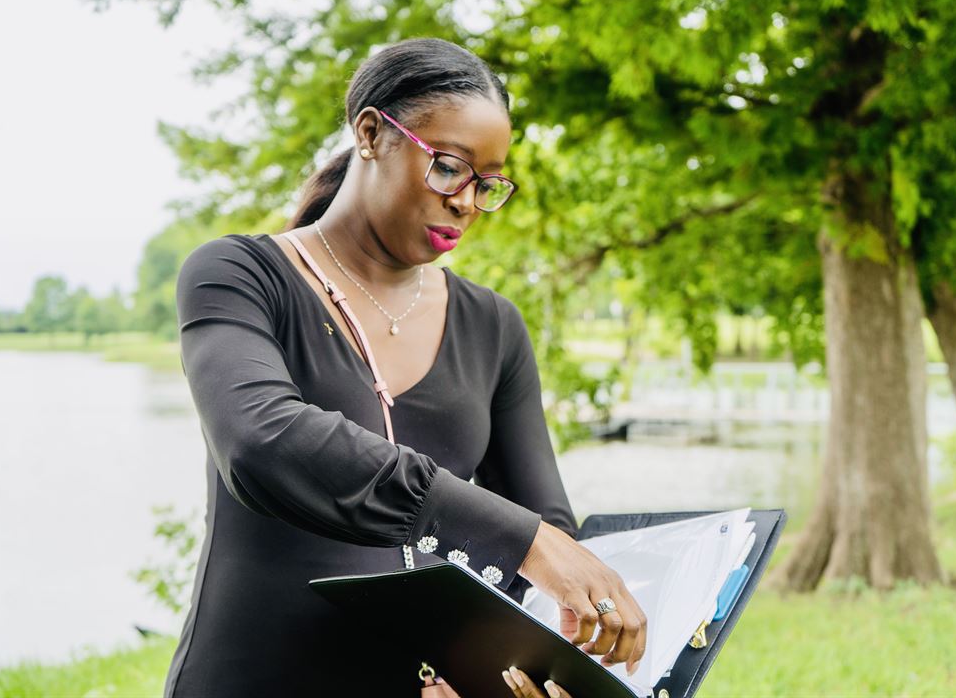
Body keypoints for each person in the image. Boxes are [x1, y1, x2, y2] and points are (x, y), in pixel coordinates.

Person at [164, 37, 646, 697]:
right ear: (370, 133)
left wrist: (493, 672)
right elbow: (262, 441)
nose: (467, 202)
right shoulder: (239, 274)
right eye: (449, 167)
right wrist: (526, 540)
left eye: (487, 183)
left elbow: (542, 532)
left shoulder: (492, 325)